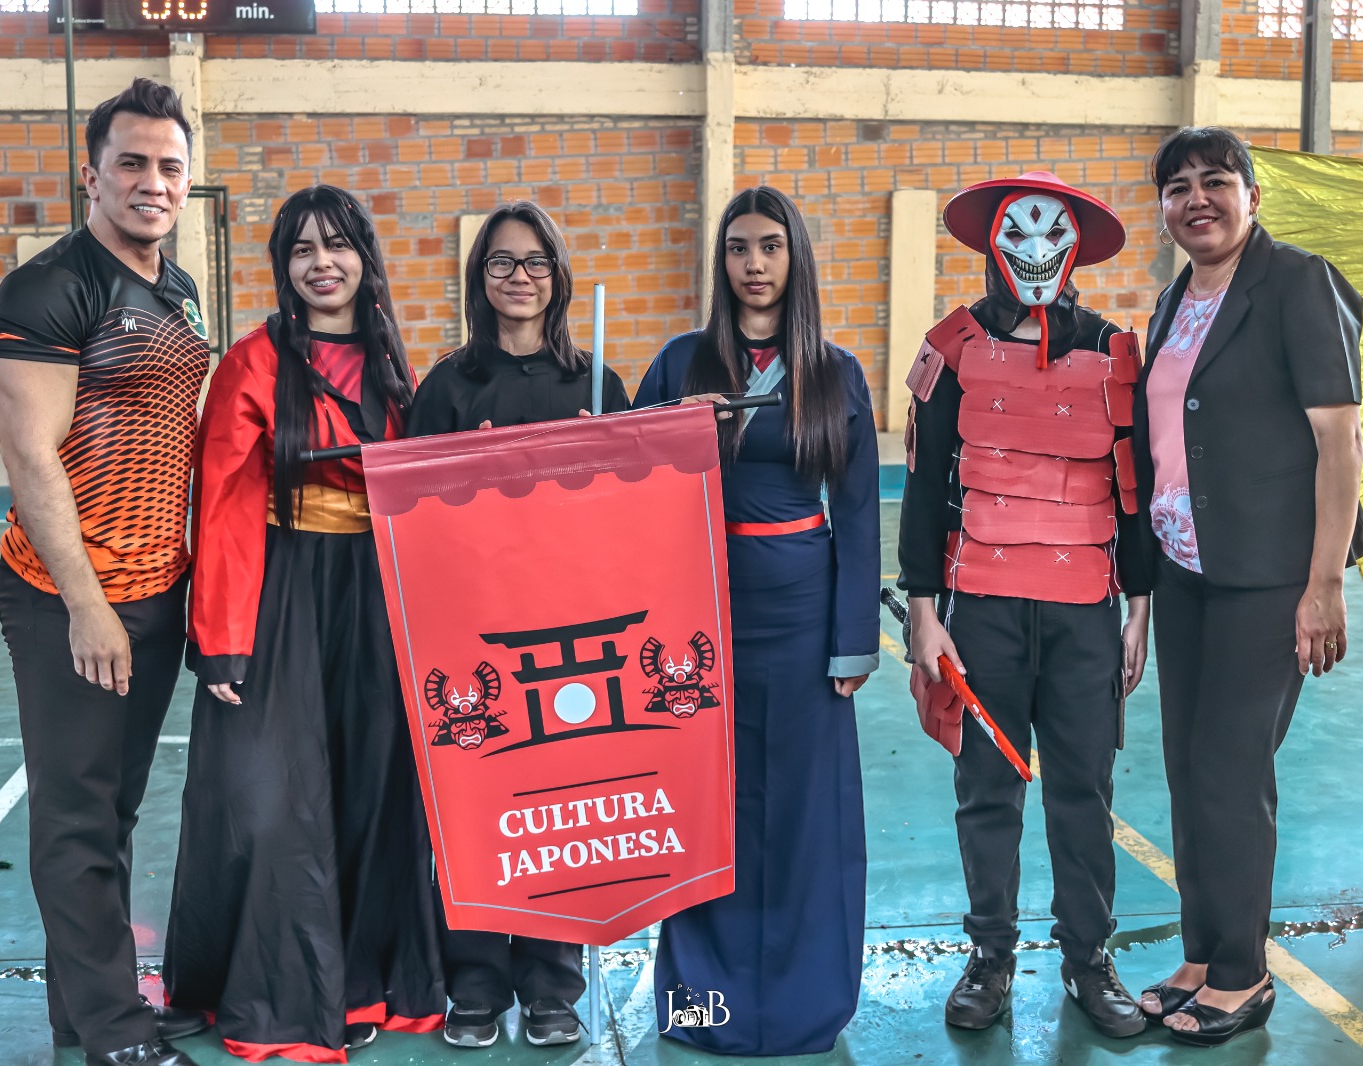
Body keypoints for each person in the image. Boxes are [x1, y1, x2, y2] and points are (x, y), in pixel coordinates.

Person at [163, 185, 447, 1062]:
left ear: (365, 256)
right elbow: (223, 504)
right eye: (301, 250)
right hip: (284, 589)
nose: (321, 264)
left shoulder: (399, 362)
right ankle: (278, 993)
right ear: (283, 268)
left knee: (369, 788)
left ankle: (365, 981)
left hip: (377, 595)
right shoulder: (252, 362)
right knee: (274, 800)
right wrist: (221, 638)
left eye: (337, 245)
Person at [0, 78, 211, 1066]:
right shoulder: (47, 289)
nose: (151, 181)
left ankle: (85, 1013)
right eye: (131, 162)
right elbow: (31, 459)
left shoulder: (178, 289)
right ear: (92, 173)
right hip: (69, 596)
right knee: (75, 816)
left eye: (168, 165)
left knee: (110, 810)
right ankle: (116, 1034)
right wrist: (85, 604)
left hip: (156, 591)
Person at [897, 172, 1150, 1039]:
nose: (1036, 253)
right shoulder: (952, 347)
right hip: (983, 613)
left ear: (1075, 244)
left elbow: (1133, 492)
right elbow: (926, 489)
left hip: (1085, 611)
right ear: (992, 243)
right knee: (988, 788)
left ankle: (1089, 959)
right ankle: (990, 956)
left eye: (1052, 236)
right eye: (1019, 235)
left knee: (1084, 789)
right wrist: (923, 613)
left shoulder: (1115, 351)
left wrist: (1139, 608)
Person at [1132, 126, 1363, 1047]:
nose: (1198, 198)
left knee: (1233, 769)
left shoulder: (1297, 283)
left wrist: (1323, 585)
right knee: (1190, 771)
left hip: (1269, 579)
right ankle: (1201, 953)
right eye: (1178, 186)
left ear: (1252, 195)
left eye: (1217, 181)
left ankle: (1243, 975)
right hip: (1188, 570)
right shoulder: (1169, 303)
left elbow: (1337, 440)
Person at [633, 185, 880, 1055]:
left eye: (770, 247)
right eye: (739, 248)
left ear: (794, 258)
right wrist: (660, 431)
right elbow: (630, 473)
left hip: (806, 609)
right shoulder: (682, 362)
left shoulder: (835, 371)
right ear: (722, 262)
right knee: (709, 807)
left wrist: (854, 638)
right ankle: (707, 1002)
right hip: (702, 608)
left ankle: (808, 1001)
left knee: (807, 811)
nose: (755, 265)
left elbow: (855, 508)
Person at [407, 200, 628, 1048]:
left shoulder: (600, 385)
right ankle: (473, 981)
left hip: (570, 638)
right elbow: (414, 519)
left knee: (561, 813)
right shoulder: (447, 387)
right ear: (480, 279)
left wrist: (603, 462)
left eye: (535, 262)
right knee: (473, 813)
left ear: (558, 276)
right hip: (470, 634)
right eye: (502, 263)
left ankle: (551, 983)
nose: (520, 277)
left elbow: (633, 516)